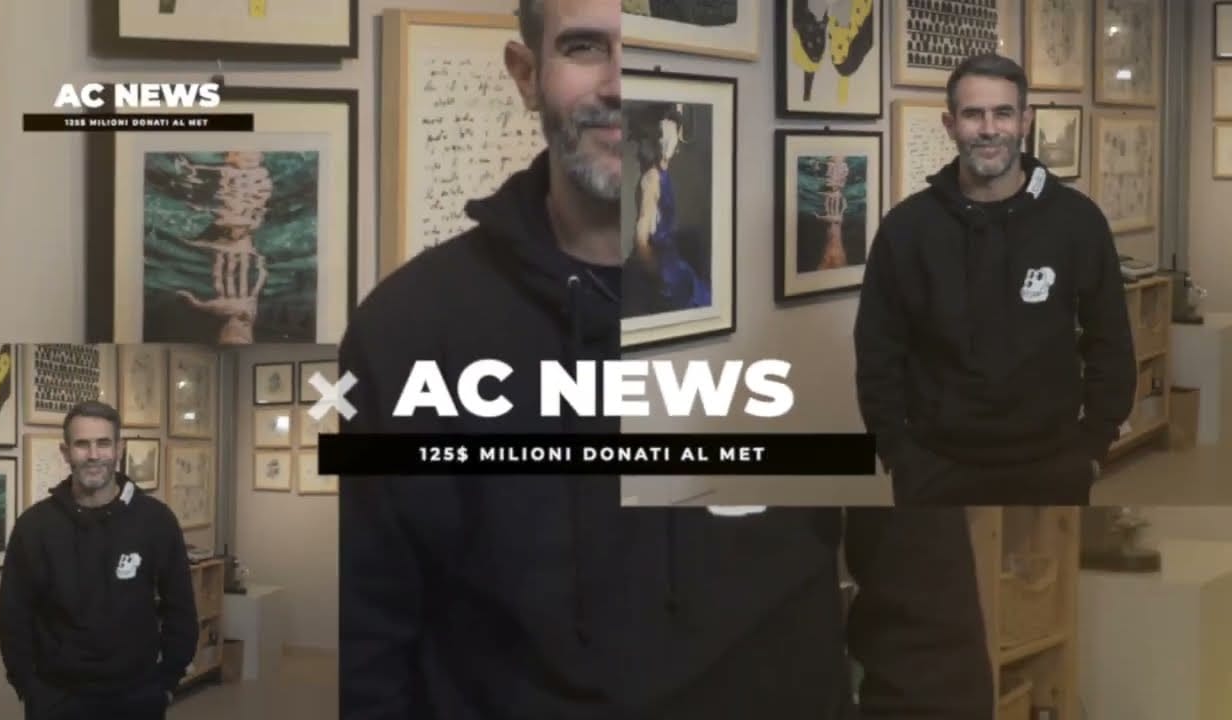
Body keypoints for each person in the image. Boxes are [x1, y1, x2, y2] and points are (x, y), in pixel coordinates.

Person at [337, 1, 993, 718]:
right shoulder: (405, 334)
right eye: (585, 47)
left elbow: (929, 627)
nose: (622, 83)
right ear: (526, 76)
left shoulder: (831, 319)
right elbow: (373, 649)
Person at [853, 53, 1137, 505]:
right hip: (935, 467)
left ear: (1025, 120)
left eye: (1003, 113)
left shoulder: (1077, 221)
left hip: (1053, 463)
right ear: (950, 124)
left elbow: (1111, 340)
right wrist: (896, 451)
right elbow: (877, 351)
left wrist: (1094, 443)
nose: (989, 129)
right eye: (973, 114)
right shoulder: (906, 229)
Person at [0, 400, 199, 720]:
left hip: (138, 695)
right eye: (82, 444)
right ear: (66, 452)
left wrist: (167, 681)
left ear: (119, 448)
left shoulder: (156, 520)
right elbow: (14, 615)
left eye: (103, 443)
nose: (93, 455)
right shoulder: (34, 527)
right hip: (57, 698)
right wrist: (28, 687)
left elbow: (181, 608)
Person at [623, 102, 712, 316]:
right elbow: (641, 239)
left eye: (671, 134)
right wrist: (660, 277)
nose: (668, 141)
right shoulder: (652, 178)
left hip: (671, 260)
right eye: (662, 135)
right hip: (661, 267)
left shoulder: (662, 174)